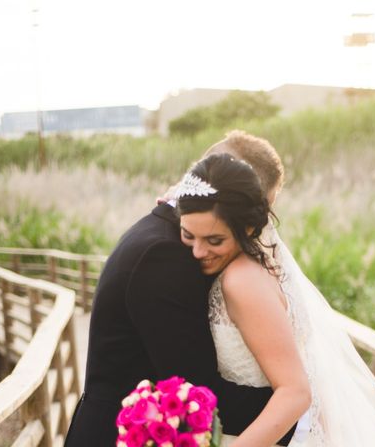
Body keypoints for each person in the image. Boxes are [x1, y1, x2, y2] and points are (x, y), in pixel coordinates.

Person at [64, 132, 298, 446]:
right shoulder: (164, 255)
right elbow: (195, 388)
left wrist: (293, 400)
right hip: (119, 435)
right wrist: (293, 414)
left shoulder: (170, 232)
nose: (256, 221)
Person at [175, 153, 375, 446]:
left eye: (214, 241)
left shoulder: (241, 281)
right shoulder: (252, 266)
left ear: (248, 229)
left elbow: (296, 392)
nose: (198, 251)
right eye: (188, 235)